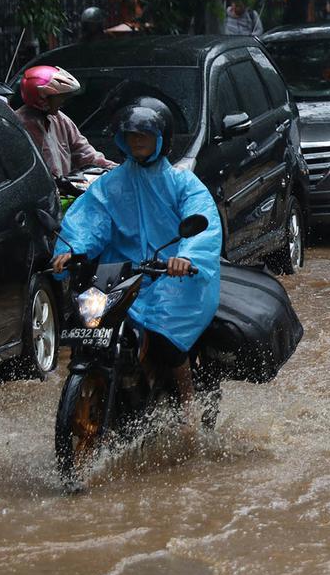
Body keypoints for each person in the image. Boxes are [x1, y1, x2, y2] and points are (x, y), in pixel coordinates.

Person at [50, 97, 222, 424]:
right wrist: (72, 250)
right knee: (87, 328)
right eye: (131, 135)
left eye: (144, 134)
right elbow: (90, 220)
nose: (137, 140)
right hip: (117, 274)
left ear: (162, 139)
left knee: (166, 342)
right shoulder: (110, 183)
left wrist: (184, 258)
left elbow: (203, 224)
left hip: (172, 278)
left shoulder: (183, 183)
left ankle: (188, 412)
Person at [16, 65, 117, 178]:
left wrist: (113, 169)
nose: (63, 101)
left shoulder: (60, 119)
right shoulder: (18, 125)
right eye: (59, 97)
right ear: (42, 98)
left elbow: (83, 150)